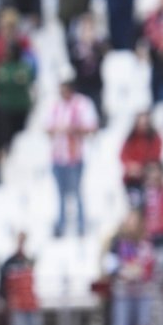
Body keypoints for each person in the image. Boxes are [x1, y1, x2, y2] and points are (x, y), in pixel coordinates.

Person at [106, 211, 158, 325]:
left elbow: (150, 263)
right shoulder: (117, 242)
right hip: (123, 291)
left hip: (142, 291)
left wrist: (140, 270)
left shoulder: (145, 242)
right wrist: (123, 271)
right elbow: (109, 265)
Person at [47, 75, 99, 237]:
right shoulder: (55, 105)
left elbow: (91, 127)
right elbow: (47, 127)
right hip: (58, 156)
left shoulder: (82, 104)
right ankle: (61, 224)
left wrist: (73, 129)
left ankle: (81, 224)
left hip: (75, 156)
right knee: (60, 193)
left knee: (76, 191)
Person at [0, 232, 39, 325]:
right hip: (17, 306)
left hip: (30, 305)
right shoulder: (9, 262)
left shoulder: (30, 259)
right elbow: (2, 285)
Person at [120, 111, 162, 206]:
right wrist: (130, 166)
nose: (142, 126)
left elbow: (155, 156)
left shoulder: (154, 138)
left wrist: (141, 168)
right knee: (134, 205)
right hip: (132, 179)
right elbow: (123, 155)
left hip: (148, 177)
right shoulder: (130, 138)